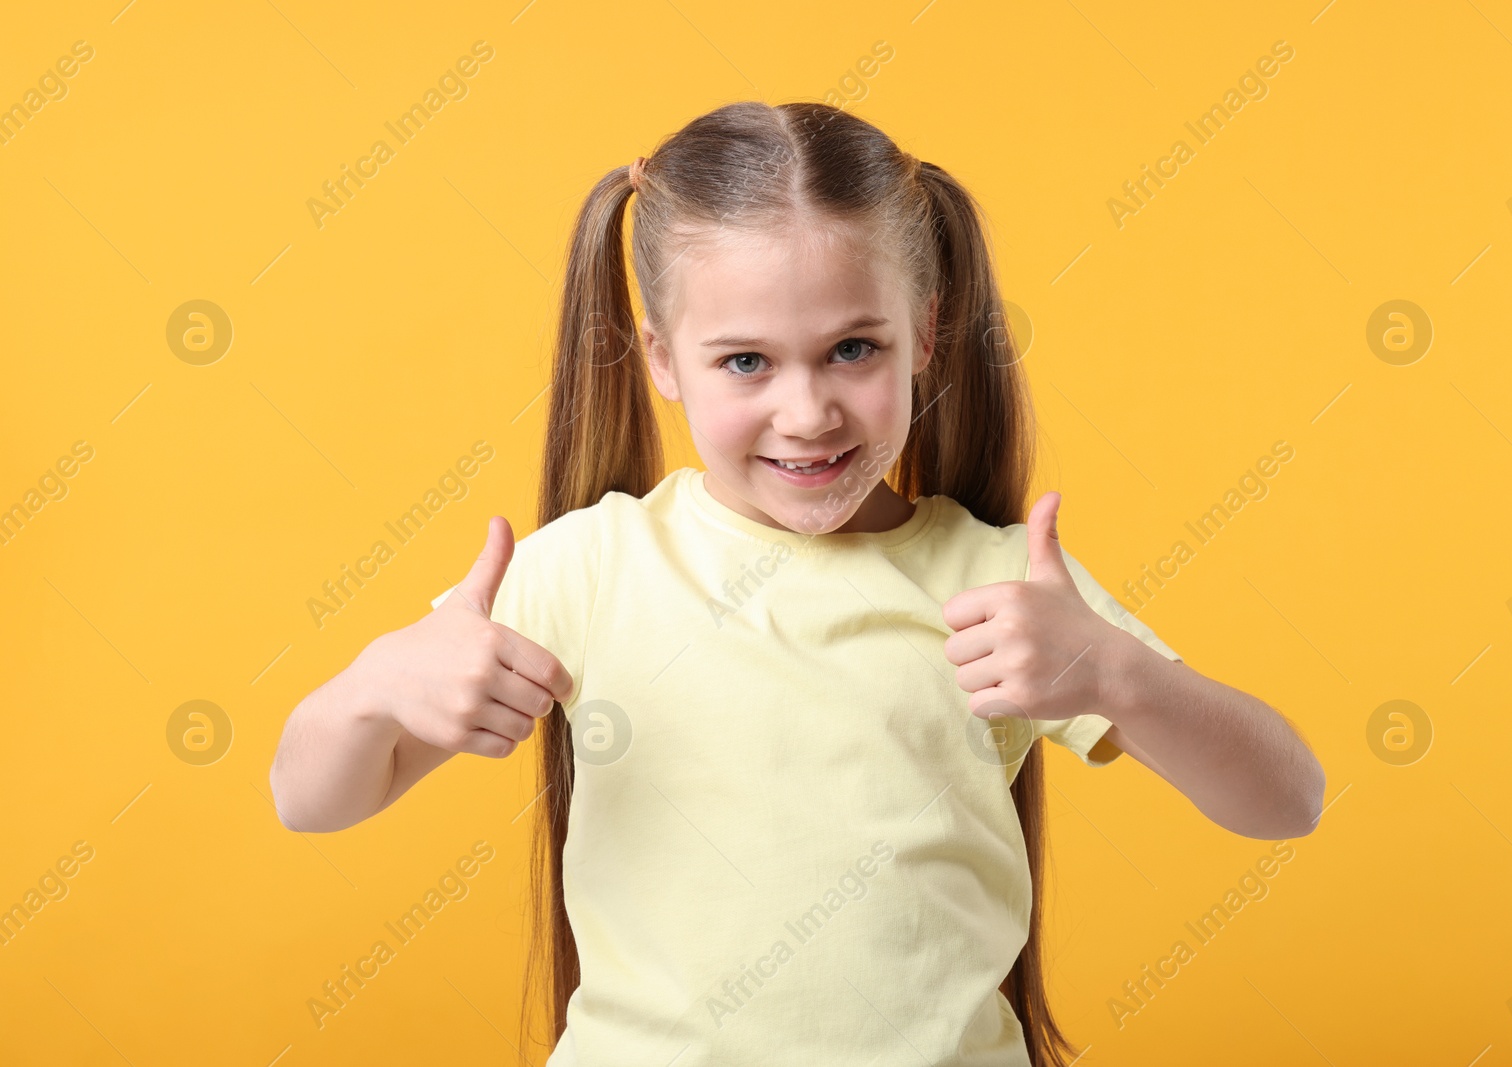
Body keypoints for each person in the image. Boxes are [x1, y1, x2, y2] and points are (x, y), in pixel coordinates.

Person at [270, 100, 1325, 1066]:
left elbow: (1287, 798)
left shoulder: (998, 583)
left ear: (925, 336)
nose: (807, 410)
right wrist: (376, 684)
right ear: (663, 360)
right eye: (745, 362)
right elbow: (309, 799)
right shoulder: (589, 568)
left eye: (851, 348)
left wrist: (1119, 675)